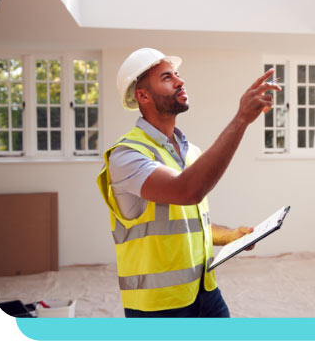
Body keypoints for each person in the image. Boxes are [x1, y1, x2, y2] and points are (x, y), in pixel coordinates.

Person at [96, 48, 281, 318]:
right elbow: (187, 191)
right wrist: (241, 119)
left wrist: (231, 236)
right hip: (158, 306)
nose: (180, 81)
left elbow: (187, 221)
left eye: (178, 75)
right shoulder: (127, 155)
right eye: (167, 77)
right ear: (143, 95)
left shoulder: (190, 151)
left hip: (204, 291)